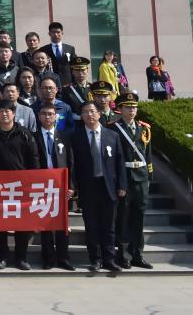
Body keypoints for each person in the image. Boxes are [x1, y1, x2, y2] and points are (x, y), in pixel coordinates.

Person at [71, 101, 127, 271]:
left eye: (92, 111)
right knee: (91, 225)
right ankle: (95, 259)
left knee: (109, 226)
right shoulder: (75, 137)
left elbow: (120, 161)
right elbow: (73, 165)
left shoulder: (112, 135)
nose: (89, 114)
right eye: (85, 112)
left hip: (108, 186)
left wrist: (122, 185)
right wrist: (74, 186)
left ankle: (109, 259)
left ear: (99, 114)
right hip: (88, 186)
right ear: (81, 116)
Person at [0, 99, 40, 270]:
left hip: (21, 185)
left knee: (22, 223)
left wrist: (33, 181)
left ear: (14, 113)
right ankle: (1, 257)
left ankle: (21, 258)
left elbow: (34, 159)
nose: (4, 114)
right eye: (1, 111)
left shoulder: (24, 134)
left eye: (7, 111)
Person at [111, 92, 154, 269]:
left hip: (141, 177)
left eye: (134, 107)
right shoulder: (114, 128)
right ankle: (124, 255)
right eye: (128, 107)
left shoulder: (144, 128)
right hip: (125, 176)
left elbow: (148, 154)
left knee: (139, 217)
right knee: (124, 217)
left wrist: (149, 175)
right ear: (120, 109)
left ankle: (138, 254)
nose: (132, 110)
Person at [35, 102, 75, 271]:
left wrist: (71, 185)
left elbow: (71, 162)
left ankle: (64, 258)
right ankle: (48, 258)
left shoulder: (64, 136)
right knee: (46, 224)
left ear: (56, 117)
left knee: (62, 223)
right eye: (44, 114)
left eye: (50, 114)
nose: (47, 117)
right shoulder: (33, 136)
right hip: (42, 184)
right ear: (39, 116)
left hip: (61, 185)